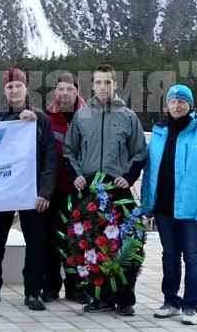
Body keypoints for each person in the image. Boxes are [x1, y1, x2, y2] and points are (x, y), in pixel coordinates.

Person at [63, 64, 148, 315]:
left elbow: (140, 152)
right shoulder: (82, 115)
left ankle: (124, 298)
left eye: (107, 82)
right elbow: (69, 150)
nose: (103, 87)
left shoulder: (128, 116)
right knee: (91, 243)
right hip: (90, 188)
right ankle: (98, 296)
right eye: (98, 82)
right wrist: (76, 175)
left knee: (125, 243)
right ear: (92, 85)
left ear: (115, 84)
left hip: (116, 189)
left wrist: (128, 177)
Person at [0, 68, 57, 311]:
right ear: (4, 90)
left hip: (30, 191)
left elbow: (50, 157)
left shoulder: (40, 118)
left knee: (35, 243)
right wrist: (15, 120)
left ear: (26, 88)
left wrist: (45, 192)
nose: (13, 90)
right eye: (9, 86)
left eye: (18, 86)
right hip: (1, 190)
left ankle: (33, 292)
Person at [138, 84, 197, 325]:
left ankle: (191, 305)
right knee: (169, 255)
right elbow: (150, 170)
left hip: (192, 209)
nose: (177, 105)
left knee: (193, 256)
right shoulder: (160, 132)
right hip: (164, 206)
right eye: (173, 101)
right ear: (167, 105)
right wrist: (147, 204)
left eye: (182, 101)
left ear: (190, 104)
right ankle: (170, 300)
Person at [44, 71, 88, 303]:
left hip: (80, 189)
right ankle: (51, 286)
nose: (64, 93)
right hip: (53, 189)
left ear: (77, 91)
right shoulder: (47, 118)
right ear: (55, 92)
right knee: (52, 239)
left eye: (69, 89)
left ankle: (76, 287)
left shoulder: (89, 117)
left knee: (77, 239)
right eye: (60, 89)